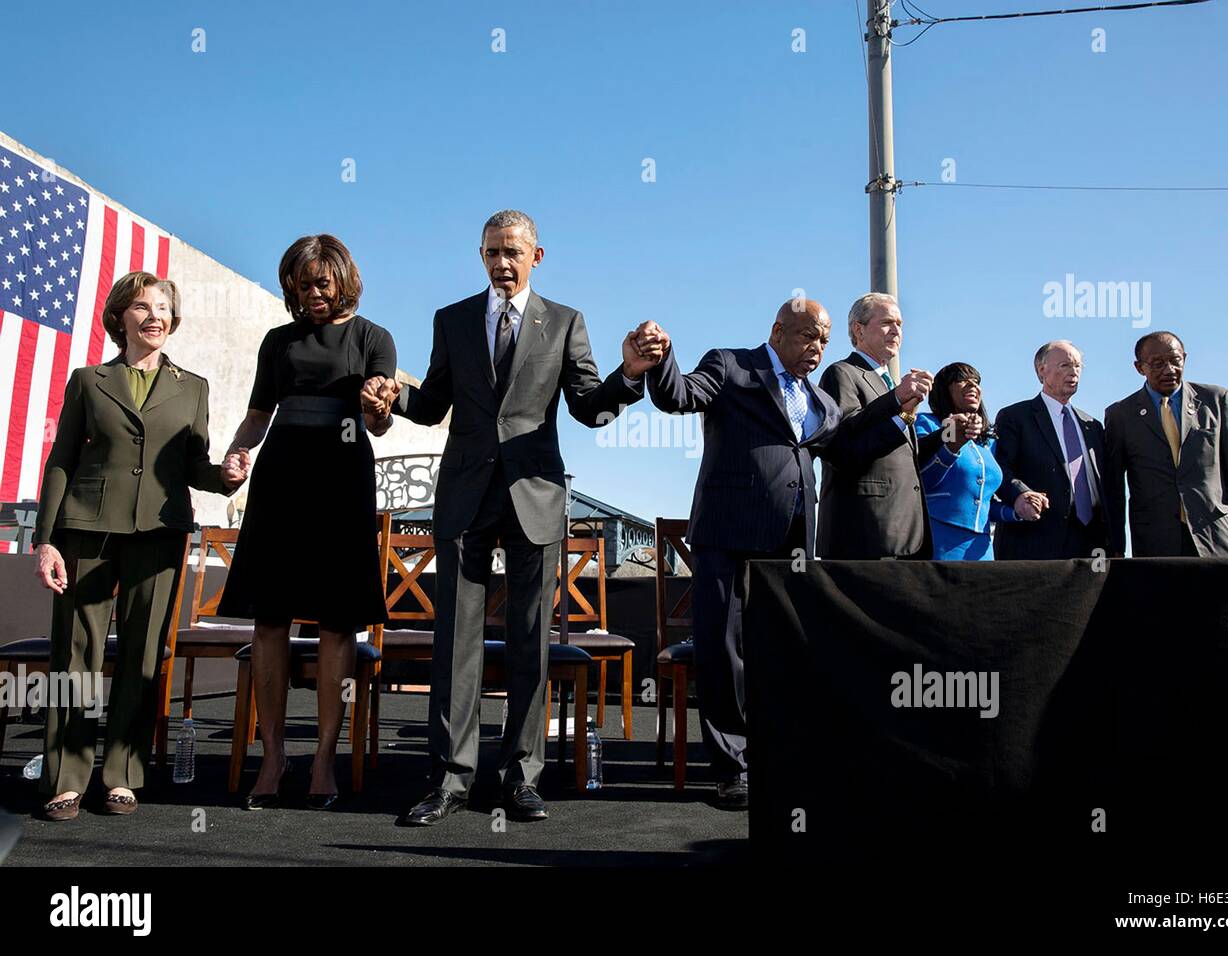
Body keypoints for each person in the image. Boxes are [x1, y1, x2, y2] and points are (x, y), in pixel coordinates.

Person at [366, 210, 657, 826]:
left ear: (537, 256)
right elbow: (433, 403)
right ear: (481, 256)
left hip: (535, 493)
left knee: (531, 641)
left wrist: (628, 374)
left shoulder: (567, 322)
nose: (502, 262)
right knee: (455, 644)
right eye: (492, 252)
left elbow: (586, 406)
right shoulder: (452, 319)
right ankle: (450, 778)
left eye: (513, 252)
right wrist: (396, 396)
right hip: (466, 495)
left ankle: (522, 775)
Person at [640, 298, 910, 809]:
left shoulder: (820, 402)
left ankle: (773, 754)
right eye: (810, 336)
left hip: (791, 545)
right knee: (723, 652)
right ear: (778, 330)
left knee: (777, 651)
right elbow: (679, 396)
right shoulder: (732, 365)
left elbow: (848, 448)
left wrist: (896, 408)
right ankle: (731, 769)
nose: (818, 348)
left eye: (825, 340)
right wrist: (664, 356)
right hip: (728, 535)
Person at [31, 272, 247, 821]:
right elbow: (61, 459)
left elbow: (192, 464)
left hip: (160, 531)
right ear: (119, 317)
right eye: (143, 307)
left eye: (165, 308)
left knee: (142, 654)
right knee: (75, 655)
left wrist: (225, 475)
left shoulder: (193, 386)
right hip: (86, 529)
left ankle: (122, 775)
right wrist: (47, 539)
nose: (156, 316)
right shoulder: (87, 380)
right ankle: (65, 777)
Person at [218, 235, 397, 811]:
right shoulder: (278, 342)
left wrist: (377, 405)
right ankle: (272, 757)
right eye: (302, 284)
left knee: (337, 624)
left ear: (343, 279)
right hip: (280, 480)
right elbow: (256, 417)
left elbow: (380, 425)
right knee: (269, 621)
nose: (313, 293)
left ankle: (323, 758)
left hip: (342, 480)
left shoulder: (374, 338)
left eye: (322, 283)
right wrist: (236, 455)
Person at [1103, 331, 1228, 557]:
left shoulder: (1216, 400)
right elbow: (1114, 488)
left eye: (1175, 361)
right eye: (1157, 364)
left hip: (1217, 537)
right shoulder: (1121, 415)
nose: (1169, 370)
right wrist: (1115, 548)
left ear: (1184, 359)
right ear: (1140, 368)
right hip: (1156, 543)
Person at [816, 292, 941, 560]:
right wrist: (897, 400)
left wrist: (915, 419)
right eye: (886, 322)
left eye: (900, 324)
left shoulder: (890, 383)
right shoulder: (842, 373)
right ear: (858, 329)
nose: (896, 330)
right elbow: (845, 445)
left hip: (907, 535)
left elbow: (902, 455)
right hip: (866, 532)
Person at [993, 340, 1109, 559]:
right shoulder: (1015, 417)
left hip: (1091, 542)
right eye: (1065, 365)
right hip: (1035, 539)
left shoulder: (1092, 426)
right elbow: (1000, 467)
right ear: (1041, 369)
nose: (1074, 372)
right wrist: (1021, 494)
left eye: (1078, 366)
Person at [915, 363, 1029, 561]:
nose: (972, 385)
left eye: (976, 382)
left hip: (982, 549)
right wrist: (951, 448)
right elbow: (920, 484)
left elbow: (983, 504)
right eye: (961, 380)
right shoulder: (925, 423)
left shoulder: (988, 442)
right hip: (937, 542)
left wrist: (1016, 511)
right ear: (943, 390)